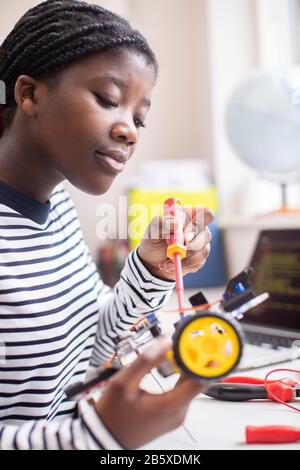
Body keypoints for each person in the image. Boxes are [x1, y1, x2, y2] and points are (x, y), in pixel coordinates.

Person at [0, 0, 213, 450]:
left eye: (139, 118)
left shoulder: (54, 203)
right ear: (29, 94)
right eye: (108, 100)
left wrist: (149, 270)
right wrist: (99, 436)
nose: (131, 131)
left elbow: (89, 347)